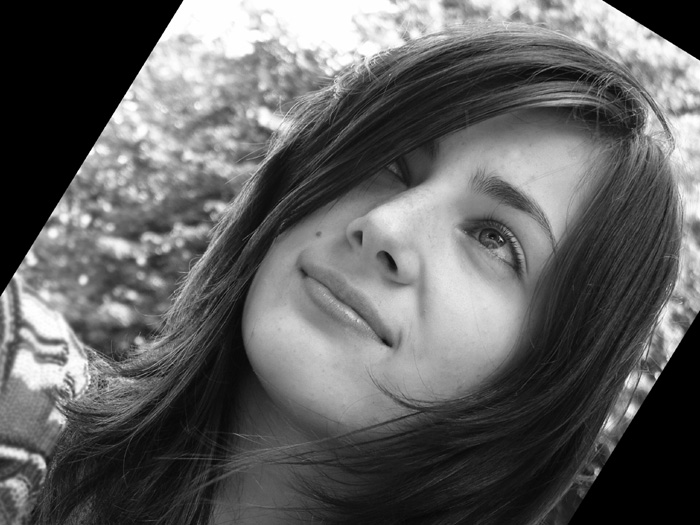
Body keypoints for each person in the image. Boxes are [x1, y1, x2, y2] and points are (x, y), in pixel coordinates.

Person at [29, 22, 681, 524]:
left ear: (553, 373)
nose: (386, 226)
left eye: (494, 239)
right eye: (392, 164)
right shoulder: (21, 406)